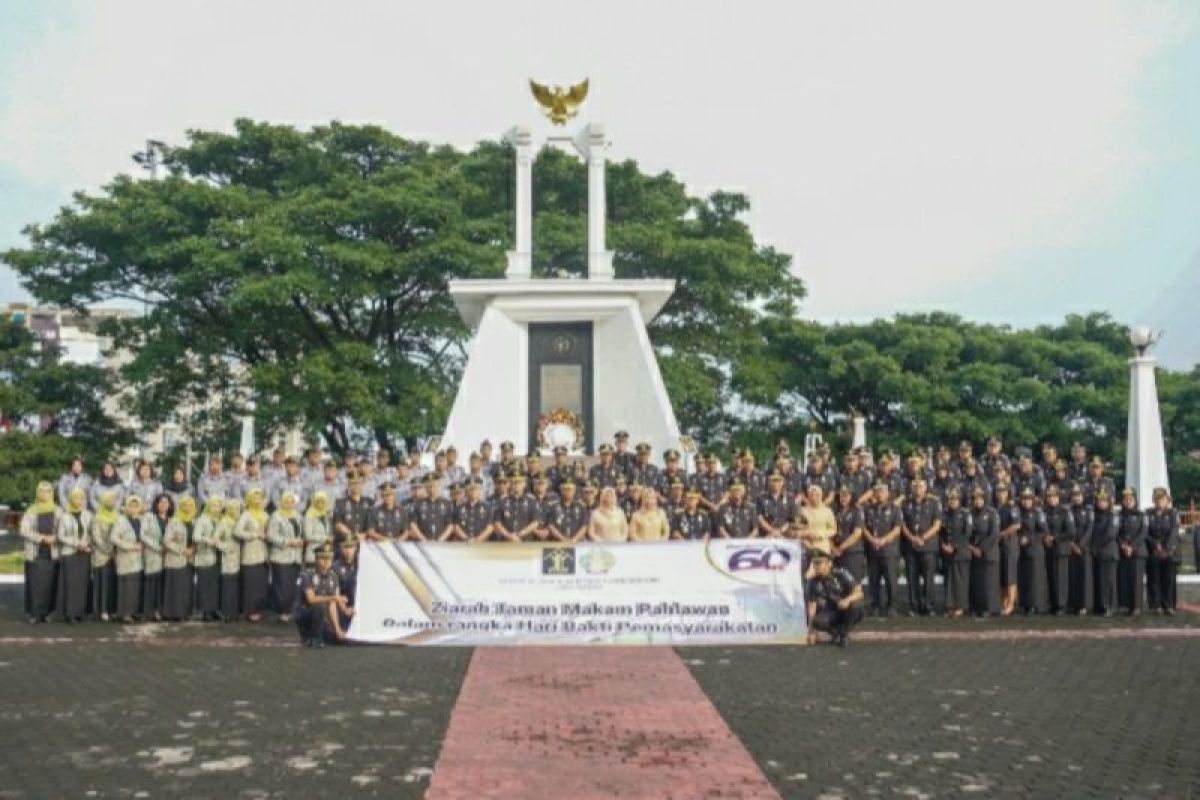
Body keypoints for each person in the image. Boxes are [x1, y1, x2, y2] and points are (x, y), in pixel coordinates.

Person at [805, 545, 865, 647]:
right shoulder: (813, 582)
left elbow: (859, 592)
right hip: (830, 611)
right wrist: (811, 631)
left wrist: (847, 600)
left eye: (819, 563)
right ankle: (838, 634)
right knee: (816, 620)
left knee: (857, 605)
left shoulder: (841, 573)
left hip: (846, 608)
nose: (816, 566)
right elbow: (812, 607)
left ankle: (843, 633)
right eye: (815, 563)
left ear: (829, 563)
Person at [294, 543, 351, 647]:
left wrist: (338, 630)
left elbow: (333, 605)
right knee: (318, 607)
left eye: (329, 559)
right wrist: (334, 597)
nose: (326, 562)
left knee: (341, 640)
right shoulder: (307, 575)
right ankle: (312, 638)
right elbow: (311, 599)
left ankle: (324, 634)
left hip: (323, 618)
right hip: (306, 615)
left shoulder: (333, 576)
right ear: (316, 559)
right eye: (323, 558)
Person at [20, 481, 61, 624]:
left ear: (52, 493)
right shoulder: (31, 510)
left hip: (52, 553)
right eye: (42, 491)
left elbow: (63, 528)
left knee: (50, 585)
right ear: (38, 493)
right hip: (36, 553)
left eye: (48, 491)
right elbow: (24, 530)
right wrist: (42, 538)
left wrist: (55, 538)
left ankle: (48, 613)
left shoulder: (58, 510)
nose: (45, 494)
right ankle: (34, 614)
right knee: (35, 585)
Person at [902, 479, 942, 616]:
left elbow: (936, 525)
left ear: (925, 488)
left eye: (920, 486)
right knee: (912, 579)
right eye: (915, 486)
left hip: (928, 547)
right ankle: (914, 607)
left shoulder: (934, 503)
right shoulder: (906, 503)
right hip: (910, 546)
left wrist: (922, 538)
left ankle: (928, 606)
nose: (918, 488)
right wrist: (912, 538)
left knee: (928, 579)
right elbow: (902, 525)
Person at [863, 482, 902, 616]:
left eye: (882, 492)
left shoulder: (895, 509)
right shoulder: (869, 509)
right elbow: (864, 528)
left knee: (891, 580)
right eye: (877, 492)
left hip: (888, 550)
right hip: (873, 550)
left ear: (887, 494)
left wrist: (883, 540)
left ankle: (892, 606)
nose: (879, 494)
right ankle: (874, 606)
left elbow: (897, 529)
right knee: (873, 580)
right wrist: (872, 540)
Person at [55, 487, 92, 623]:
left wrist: (86, 543)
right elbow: (60, 535)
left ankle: (79, 613)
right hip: (70, 554)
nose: (79, 501)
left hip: (84, 554)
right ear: (71, 499)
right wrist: (77, 543)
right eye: (76, 498)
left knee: (82, 585)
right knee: (70, 585)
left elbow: (90, 532)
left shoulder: (88, 515)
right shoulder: (64, 516)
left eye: (81, 498)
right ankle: (70, 614)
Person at [268, 491, 306, 623]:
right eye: (287, 501)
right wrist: (288, 542)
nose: (290, 504)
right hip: (281, 556)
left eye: (292, 501)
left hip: (295, 557)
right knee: (282, 586)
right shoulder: (276, 516)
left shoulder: (298, 516)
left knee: (292, 585)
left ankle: (290, 610)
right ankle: (282, 611)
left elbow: (302, 532)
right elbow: (271, 536)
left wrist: (301, 541)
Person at [236, 488, 271, 622]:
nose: (257, 501)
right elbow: (238, 531)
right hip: (250, 554)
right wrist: (254, 535)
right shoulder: (246, 515)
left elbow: (270, 533)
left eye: (259, 499)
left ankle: (259, 610)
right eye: (254, 498)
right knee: (250, 584)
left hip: (263, 554)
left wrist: (266, 536)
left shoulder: (266, 515)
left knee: (261, 584)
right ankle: (249, 611)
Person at [110, 495, 145, 623]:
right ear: (127, 507)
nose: (133, 509)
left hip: (137, 558)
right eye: (131, 506)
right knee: (126, 586)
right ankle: (124, 613)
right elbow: (113, 537)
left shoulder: (141, 520)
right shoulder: (121, 520)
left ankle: (133, 611)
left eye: (136, 506)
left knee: (135, 587)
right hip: (125, 557)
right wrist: (129, 546)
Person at [162, 495, 197, 621]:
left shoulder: (194, 521)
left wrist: (193, 549)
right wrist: (183, 550)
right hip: (176, 558)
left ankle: (185, 612)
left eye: (190, 505)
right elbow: (166, 541)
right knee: (176, 587)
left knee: (186, 588)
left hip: (190, 559)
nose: (187, 508)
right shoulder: (174, 521)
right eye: (185, 505)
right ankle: (174, 614)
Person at [1145, 487, 1178, 615]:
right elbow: (1145, 531)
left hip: (1169, 551)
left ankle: (1169, 605)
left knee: (1168, 579)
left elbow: (1173, 531)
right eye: (1157, 499)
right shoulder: (1148, 513)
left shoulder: (1172, 513)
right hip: (1154, 550)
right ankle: (1155, 605)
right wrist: (1155, 544)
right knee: (1154, 578)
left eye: (1162, 499)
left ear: (1167, 500)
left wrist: (1166, 548)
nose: (1159, 502)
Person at [968, 486, 1001, 617]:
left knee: (990, 582)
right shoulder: (970, 513)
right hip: (975, 553)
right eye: (975, 498)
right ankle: (978, 607)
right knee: (978, 582)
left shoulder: (992, 513)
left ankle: (991, 608)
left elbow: (994, 535)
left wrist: (981, 549)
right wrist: (972, 548)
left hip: (989, 552)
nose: (977, 501)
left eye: (980, 498)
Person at [1043, 486, 1076, 615]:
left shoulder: (1065, 511)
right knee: (1051, 577)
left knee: (1061, 578)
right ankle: (1053, 603)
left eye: (1054, 497)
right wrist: (1046, 537)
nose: (1051, 499)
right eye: (1049, 496)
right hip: (1048, 548)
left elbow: (1071, 532)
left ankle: (1062, 605)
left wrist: (1055, 538)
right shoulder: (1045, 511)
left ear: (1058, 498)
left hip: (1061, 548)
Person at [1016, 487, 1050, 614]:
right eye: (1024, 499)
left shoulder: (1038, 513)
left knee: (1035, 579)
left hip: (1035, 549)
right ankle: (1025, 604)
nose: (1026, 502)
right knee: (1024, 578)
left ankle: (1035, 605)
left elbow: (1044, 532)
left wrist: (1029, 539)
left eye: (1028, 499)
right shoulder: (1018, 512)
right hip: (1022, 551)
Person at [939, 488, 972, 617]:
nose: (952, 502)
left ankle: (961, 606)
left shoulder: (965, 514)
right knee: (949, 581)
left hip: (961, 552)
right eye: (950, 499)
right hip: (948, 553)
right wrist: (943, 545)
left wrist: (954, 546)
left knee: (960, 582)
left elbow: (967, 533)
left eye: (955, 499)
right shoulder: (945, 514)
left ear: (959, 500)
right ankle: (950, 606)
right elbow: (941, 533)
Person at [192, 496, 224, 621]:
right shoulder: (202, 519)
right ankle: (205, 611)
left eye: (218, 506)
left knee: (215, 584)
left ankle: (214, 609)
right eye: (213, 505)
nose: (216, 508)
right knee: (205, 584)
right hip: (205, 555)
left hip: (218, 555)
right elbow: (196, 536)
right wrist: (207, 540)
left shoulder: (222, 520)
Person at [90, 490, 120, 622]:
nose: (111, 503)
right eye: (108, 500)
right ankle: (101, 610)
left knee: (113, 583)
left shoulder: (118, 516)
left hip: (117, 555)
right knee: (101, 583)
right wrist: (109, 550)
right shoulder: (97, 517)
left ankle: (112, 609)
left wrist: (116, 550)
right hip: (101, 555)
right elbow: (96, 537)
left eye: (113, 500)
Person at [1117, 487, 1147, 615]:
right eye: (1125, 499)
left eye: (1130, 499)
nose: (1128, 502)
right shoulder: (1119, 515)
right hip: (1123, 550)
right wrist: (1123, 545)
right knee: (1126, 578)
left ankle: (1137, 606)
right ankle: (1127, 604)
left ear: (1135, 500)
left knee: (1136, 580)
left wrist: (1132, 547)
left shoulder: (1141, 515)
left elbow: (1143, 533)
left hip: (1137, 551)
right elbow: (1116, 532)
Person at [142, 494, 172, 621]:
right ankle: (149, 611)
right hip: (153, 554)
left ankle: (160, 611)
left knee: (163, 585)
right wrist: (158, 547)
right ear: (156, 504)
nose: (163, 505)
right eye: (161, 502)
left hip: (168, 556)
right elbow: (143, 535)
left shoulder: (172, 519)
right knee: (151, 584)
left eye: (166, 503)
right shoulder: (149, 517)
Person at [1091, 491, 1121, 616]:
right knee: (1099, 581)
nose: (1101, 503)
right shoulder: (1096, 515)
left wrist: (1096, 544)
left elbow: (1111, 533)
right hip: (1097, 552)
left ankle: (1110, 606)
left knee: (1109, 581)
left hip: (1108, 551)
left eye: (1104, 501)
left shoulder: (1113, 515)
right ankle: (1101, 605)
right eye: (1099, 501)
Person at [994, 482, 1021, 615]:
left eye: (1003, 491)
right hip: (999, 545)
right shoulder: (996, 507)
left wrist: (1002, 534)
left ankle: (1010, 604)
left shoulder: (1012, 507)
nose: (1000, 493)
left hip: (1010, 544)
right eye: (998, 491)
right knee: (1002, 575)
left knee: (1010, 575)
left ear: (1007, 492)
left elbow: (1016, 525)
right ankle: (1003, 602)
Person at [1068, 485, 1094, 615]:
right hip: (1071, 547)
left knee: (1085, 577)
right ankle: (1074, 604)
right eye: (1074, 495)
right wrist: (1072, 544)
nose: (1076, 497)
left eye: (1078, 495)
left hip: (1085, 548)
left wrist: (1081, 545)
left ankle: (1085, 604)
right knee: (1073, 576)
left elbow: (1090, 529)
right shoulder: (1068, 510)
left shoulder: (1089, 510)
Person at [831, 486, 866, 582]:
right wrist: (833, 548)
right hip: (836, 554)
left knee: (853, 583)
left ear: (851, 497)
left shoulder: (857, 510)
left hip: (852, 553)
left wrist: (840, 548)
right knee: (838, 583)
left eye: (846, 496)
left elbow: (857, 534)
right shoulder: (835, 511)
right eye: (841, 495)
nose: (843, 498)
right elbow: (829, 531)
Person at [216, 498, 242, 621]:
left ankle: (235, 612)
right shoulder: (224, 522)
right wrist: (226, 548)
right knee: (228, 586)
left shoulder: (241, 521)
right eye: (231, 508)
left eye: (236, 508)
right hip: (229, 558)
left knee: (237, 585)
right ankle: (227, 612)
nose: (234, 510)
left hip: (241, 557)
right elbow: (216, 539)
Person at [455, 478, 495, 542]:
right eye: (470, 489)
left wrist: (478, 539)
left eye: (476, 489)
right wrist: (466, 539)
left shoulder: (487, 507)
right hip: (463, 544)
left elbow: (490, 528)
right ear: (466, 492)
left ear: (480, 491)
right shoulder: (459, 508)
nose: (473, 492)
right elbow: (456, 527)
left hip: (482, 544)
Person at [304, 491, 334, 561]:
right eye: (318, 501)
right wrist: (325, 538)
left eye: (323, 502)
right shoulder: (309, 515)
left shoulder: (327, 515)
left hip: (326, 552)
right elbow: (308, 536)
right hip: (313, 553)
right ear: (314, 502)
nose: (320, 504)